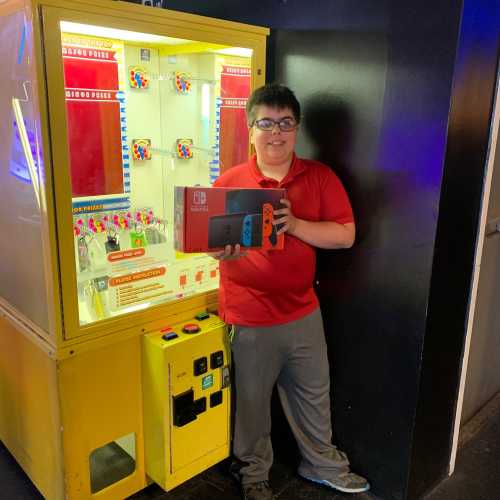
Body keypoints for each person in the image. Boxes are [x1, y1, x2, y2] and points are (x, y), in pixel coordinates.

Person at [212, 83, 370, 500]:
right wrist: (218, 251)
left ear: (296, 128)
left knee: (314, 394)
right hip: (248, 314)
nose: (275, 132)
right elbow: (211, 244)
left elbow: (346, 235)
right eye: (265, 123)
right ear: (250, 129)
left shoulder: (318, 177)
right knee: (251, 404)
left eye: (285, 123)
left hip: (303, 311)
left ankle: (321, 464)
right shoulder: (230, 181)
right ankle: (252, 473)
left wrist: (295, 224)